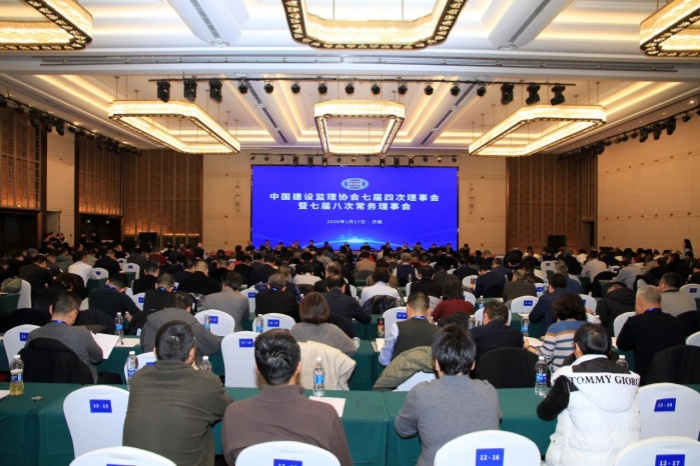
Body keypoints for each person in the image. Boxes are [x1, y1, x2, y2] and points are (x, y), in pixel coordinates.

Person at [221, 329, 352, 466]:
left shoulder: (233, 413)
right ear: (299, 367)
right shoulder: (326, 414)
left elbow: (233, 461)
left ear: (257, 369)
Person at [123, 320, 232, 465]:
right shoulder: (207, 382)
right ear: (192, 353)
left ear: (154, 351)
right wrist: (196, 369)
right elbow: (229, 408)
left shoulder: (139, 378)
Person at [395, 323, 500, 466]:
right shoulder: (489, 391)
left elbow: (403, 430)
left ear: (436, 364)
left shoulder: (420, 393)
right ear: (473, 364)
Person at [537, 323, 640, 466]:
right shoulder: (632, 378)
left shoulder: (568, 376)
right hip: (626, 460)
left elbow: (545, 413)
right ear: (609, 350)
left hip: (577, 460)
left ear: (577, 348)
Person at [27, 290, 103, 383]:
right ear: (74, 314)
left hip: (44, 383)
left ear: (50, 309)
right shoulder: (81, 333)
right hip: (80, 384)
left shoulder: (33, 334)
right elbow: (97, 358)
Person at [616, 285, 686, 383]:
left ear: (639, 301)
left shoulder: (635, 322)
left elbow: (622, 345)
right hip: (674, 378)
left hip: (646, 379)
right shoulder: (676, 322)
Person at [140, 291, 221, 361]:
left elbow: (143, 344)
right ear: (189, 309)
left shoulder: (149, 323)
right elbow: (213, 346)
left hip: (154, 370)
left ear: (166, 307)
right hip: (187, 372)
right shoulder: (194, 326)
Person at [526, 293, 588, 372]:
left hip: (560, 374)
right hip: (584, 374)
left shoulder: (555, 328)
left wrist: (528, 347)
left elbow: (543, 358)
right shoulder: (589, 327)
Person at [379, 292, 440, 366]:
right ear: (428, 311)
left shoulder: (396, 327)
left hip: (400, 371)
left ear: (407, 308)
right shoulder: (439, 331)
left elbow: (384, 360)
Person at [290, 292, 356, 356]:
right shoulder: (333, 330)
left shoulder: (295, 330)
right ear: (325, 309)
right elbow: (351, 349)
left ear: (302, 309)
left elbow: (288, 353)